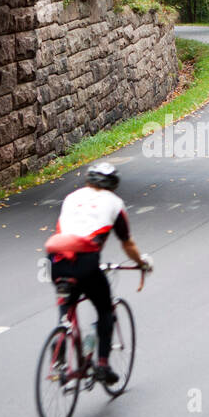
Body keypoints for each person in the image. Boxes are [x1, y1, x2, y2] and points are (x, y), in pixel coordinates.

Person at [45, 161, 152, 385]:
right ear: (114, 185)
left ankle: (62, 338)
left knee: (68, 299)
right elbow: (127, 244)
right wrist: (141, 263)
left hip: (55, 258)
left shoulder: (72, 198)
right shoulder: (115, 203)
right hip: (85, 263)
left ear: (88, 179)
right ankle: (102, 364)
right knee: (105, 310)